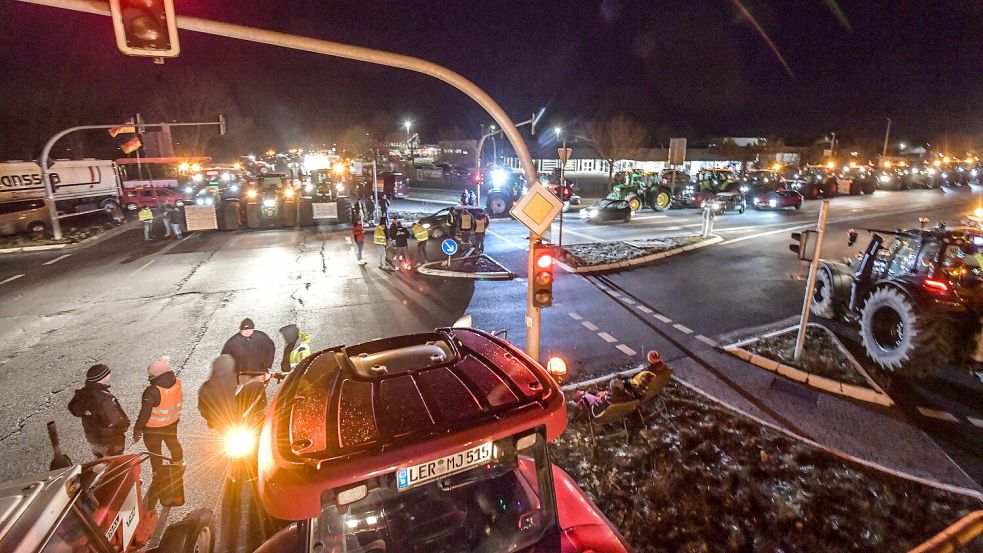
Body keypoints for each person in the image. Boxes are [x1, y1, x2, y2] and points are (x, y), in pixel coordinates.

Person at [134, 356, 183, 508]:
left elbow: (144, 414)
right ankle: (178, 465)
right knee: (174, 443)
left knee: (155, 453)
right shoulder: (177, 381)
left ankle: (158, 475)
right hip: (172, 423)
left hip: (153, 429)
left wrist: (137, 430)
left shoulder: (152, 391)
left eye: (151, 376)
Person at [68, 364, 130, 458]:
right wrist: (125, 425)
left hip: (93, 438)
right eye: (108, 373)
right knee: (114, 464)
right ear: (103, 377)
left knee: (100, 460)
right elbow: (114, 421)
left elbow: (73, 409)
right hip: (110, 441)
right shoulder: (104, 398)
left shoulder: (83, 393)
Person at [197, 354, 238, 431]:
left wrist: (211, 418)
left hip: (219, 424)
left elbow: (202, 409)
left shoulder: (205, 388)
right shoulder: (237, 381)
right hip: (240, 422)